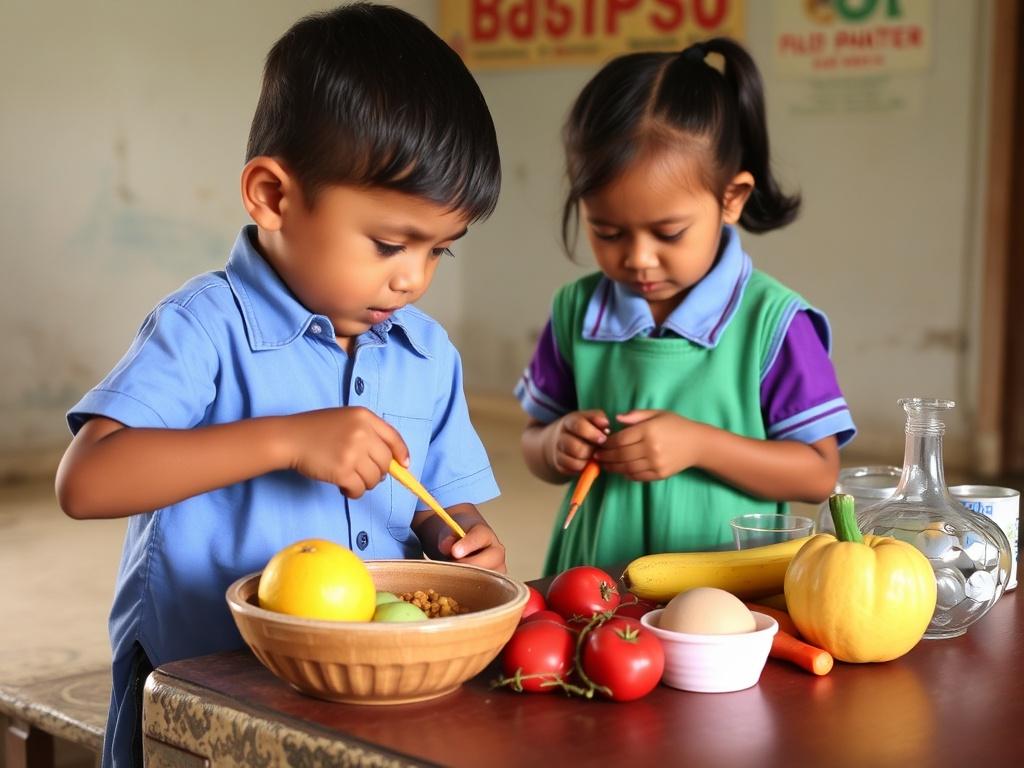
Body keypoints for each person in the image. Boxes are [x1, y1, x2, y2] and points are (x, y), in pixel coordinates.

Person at [55, 5, 506, 766]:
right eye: (389, 243)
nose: (413, 278)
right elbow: (87, 481)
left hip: (363, 681)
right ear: (271, 196)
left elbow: (438, 496)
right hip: (203, 684)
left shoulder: (427, 351)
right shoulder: (204, 326)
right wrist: (288, 441)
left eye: (440, 251)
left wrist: (453, 534)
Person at [517, 38, 856, 576]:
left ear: (732, 199)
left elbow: (818, 474)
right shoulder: (576, 309)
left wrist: (699, 445)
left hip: (726, 590)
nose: (639, 259)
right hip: (595, 587)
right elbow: (533, 438)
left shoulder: (774, 323)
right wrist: (555, 445)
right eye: (607, 232)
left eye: (669, 233)